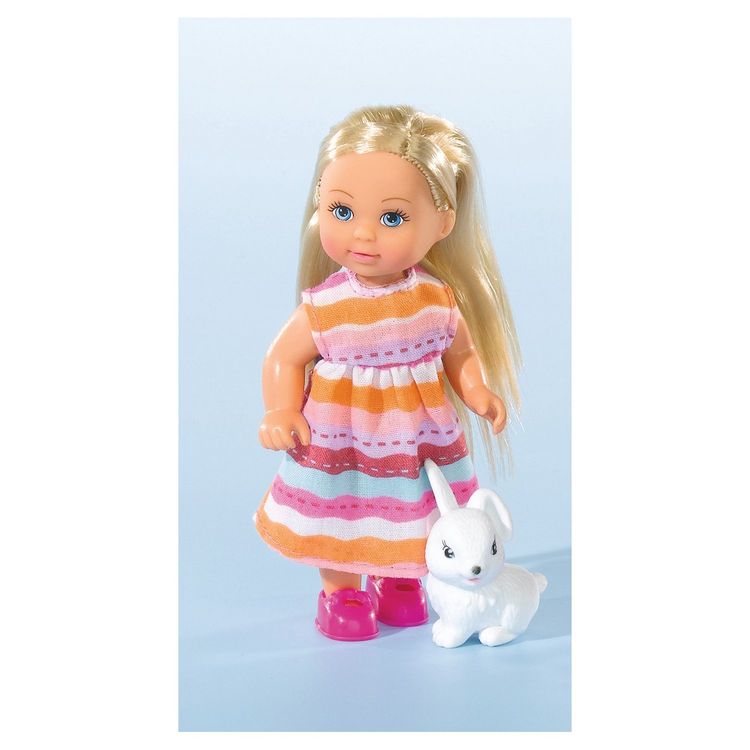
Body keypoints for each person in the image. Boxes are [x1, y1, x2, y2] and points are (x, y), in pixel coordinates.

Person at [254, 105, 520, 641]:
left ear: (442, 223)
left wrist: (476, 389)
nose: (364, 234)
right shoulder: (326, 306)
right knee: (342, 515)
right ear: (319, 208)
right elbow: (284, 357)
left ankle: (400, 578)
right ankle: (342, 592)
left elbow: (460, 352)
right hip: (341, 441)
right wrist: (281, 410)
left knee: (415, 507)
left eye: (392, 218)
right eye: (342, 210)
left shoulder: (436, 299)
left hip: (416, 437)